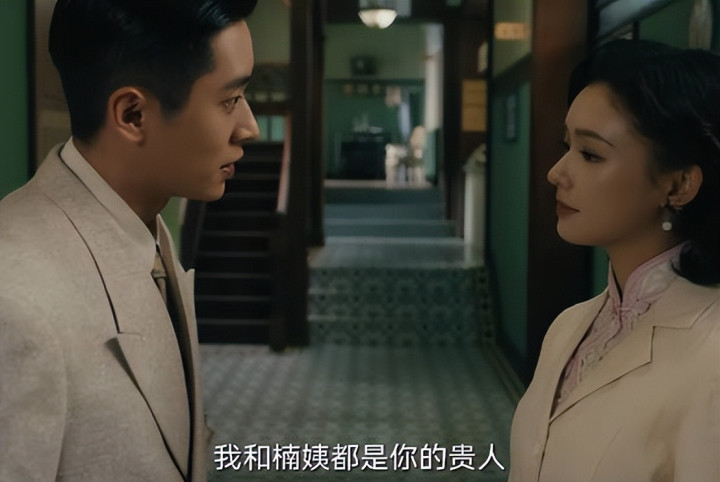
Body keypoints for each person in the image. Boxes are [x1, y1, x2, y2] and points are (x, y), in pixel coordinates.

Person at [0, 0, 259, 480]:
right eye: (229, 99)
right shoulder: (14, 299)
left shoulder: (146, 230)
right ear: (133, 114)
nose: (249, 126)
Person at [509, 39, 720, 481]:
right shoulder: (570, 326)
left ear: (679, 184)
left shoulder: (712, 354)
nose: (556, 172)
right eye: (566, 145)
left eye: (590, 154)